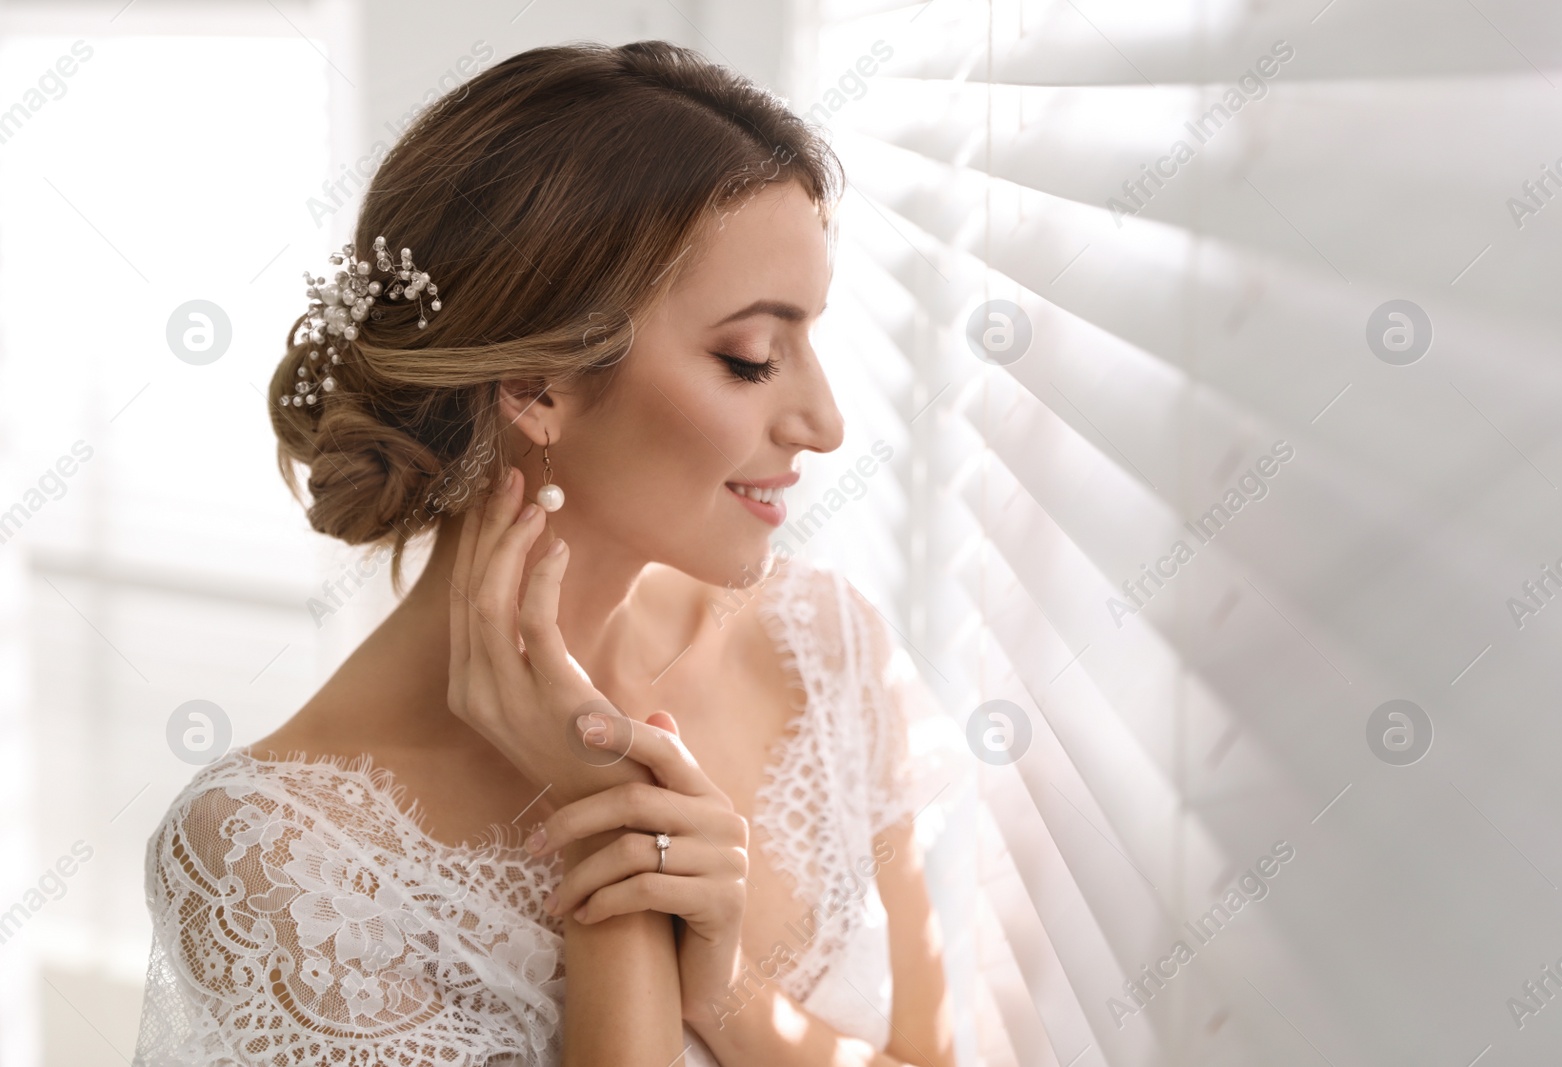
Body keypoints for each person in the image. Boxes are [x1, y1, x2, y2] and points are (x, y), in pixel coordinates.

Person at [131, 39, 957, 1067]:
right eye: (750, 357)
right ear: (536, 386)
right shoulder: (275, 856)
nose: (825, 421)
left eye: (809, 339)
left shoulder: (819, 647)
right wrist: (608, 838)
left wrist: (726, 993)